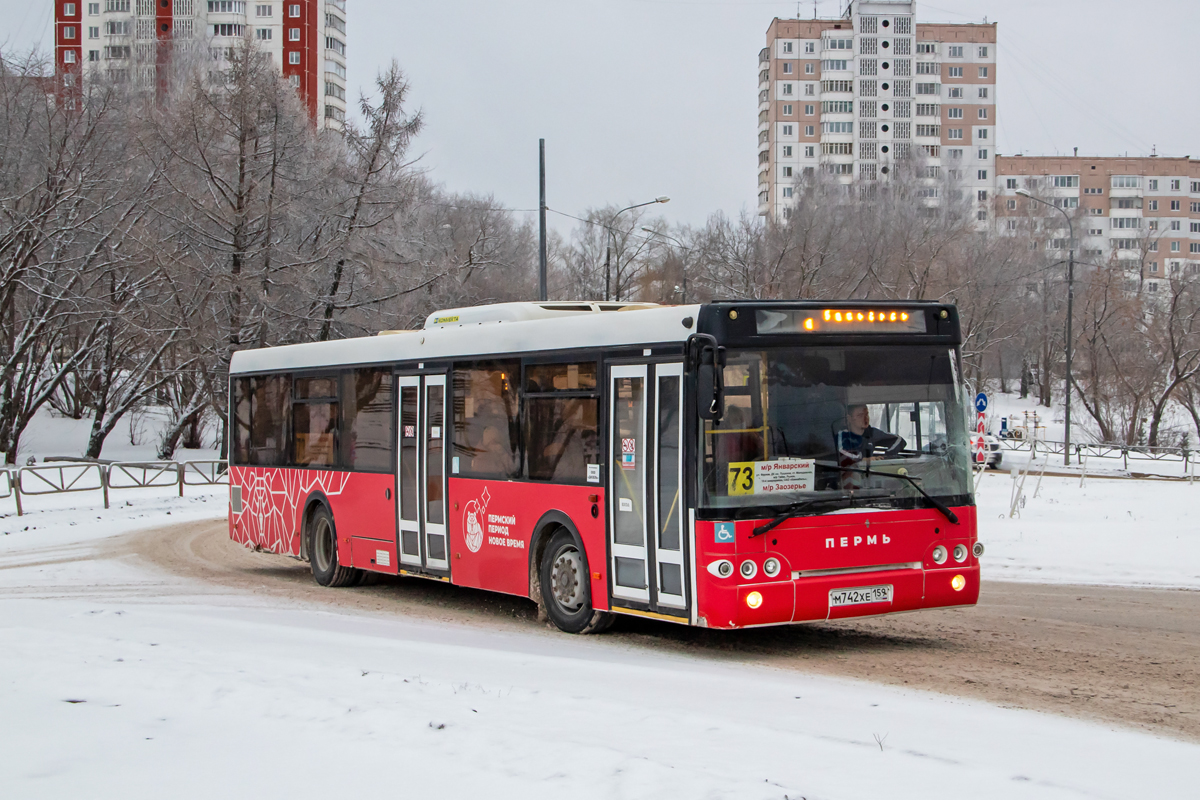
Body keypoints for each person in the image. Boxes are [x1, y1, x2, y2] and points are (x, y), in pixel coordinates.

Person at [836, 404, 906, 470]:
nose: (865, 418)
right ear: (849, 418)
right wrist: (862, 459)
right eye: (860, 415)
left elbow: (899, 440)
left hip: (869, 474)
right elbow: (841, 454)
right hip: (847, 476)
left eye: (867, 414)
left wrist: (886, 457)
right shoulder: (842, 435)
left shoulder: (872, 433)